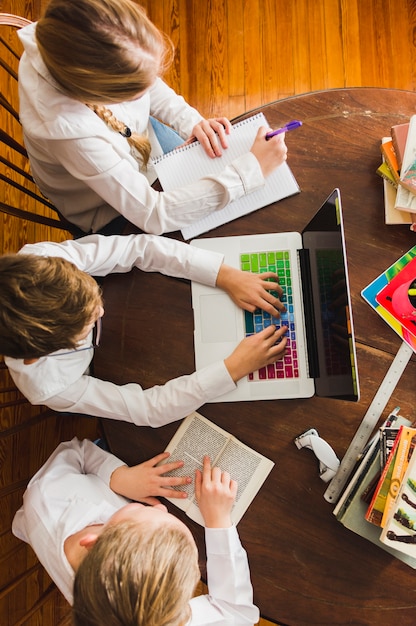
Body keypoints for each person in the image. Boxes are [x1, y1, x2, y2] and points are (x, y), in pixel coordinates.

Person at [17, 0, 288, 236]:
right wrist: (249, 172)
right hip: (108, 210)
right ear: (103, 92)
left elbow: (147, 82)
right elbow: (153, 214)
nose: (150, 89)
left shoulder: (82, 32)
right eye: (137, 92)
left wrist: (189, 121)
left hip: (140, 145)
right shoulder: (69, 133)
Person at [0, 233, 288, 425]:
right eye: (86, 321)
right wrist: (232, 370)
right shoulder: (49, 387)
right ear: (37, 356)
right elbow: (146, 409)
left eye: (93, 298)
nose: (101, 311)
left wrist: (224, 275)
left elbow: (139, 248)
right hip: (122, 363)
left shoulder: (42, 261)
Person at [13, 438, 260, 625]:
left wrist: (118, 477)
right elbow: (238, 612)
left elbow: (76, 451)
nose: (162, 508)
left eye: (143, 513)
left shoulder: (46, 496)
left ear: (92, 541)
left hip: (70, 488)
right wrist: (218, 521)